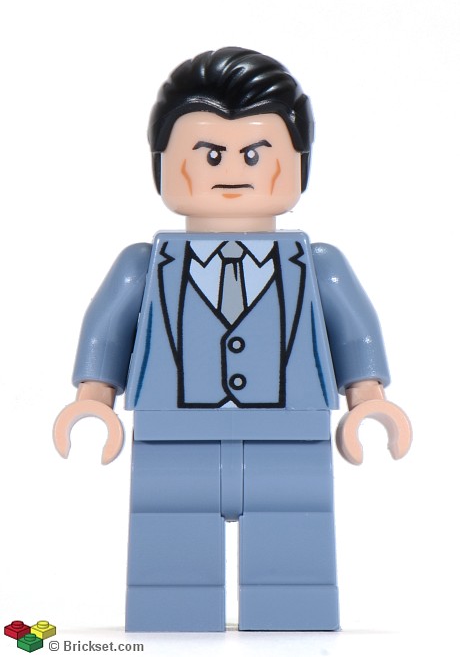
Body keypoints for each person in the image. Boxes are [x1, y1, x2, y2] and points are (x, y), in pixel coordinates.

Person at [54, 47, 412, 632]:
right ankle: (173, 614)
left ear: (299, 165)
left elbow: (354, 331)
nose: (231, 169)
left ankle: (292, 614)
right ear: (161, 165)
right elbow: (107, 330)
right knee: (169, 550)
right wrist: (93, 402)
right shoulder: (143, 265)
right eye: (209, 153)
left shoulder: (318, 265)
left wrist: (368, 401)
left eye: (253, 153)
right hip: (172, 435)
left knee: (294, 543)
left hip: (291, 435)